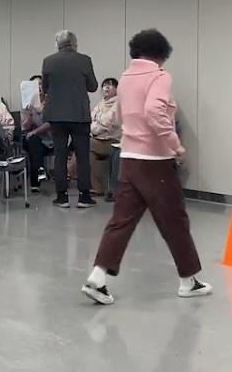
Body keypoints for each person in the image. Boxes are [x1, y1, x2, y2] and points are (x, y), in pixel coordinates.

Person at [81, 29, 211, 305]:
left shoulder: (126, 78)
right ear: (161, 53)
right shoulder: (159, 76)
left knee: (121, 221)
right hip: (155, 163)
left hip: (128, 158)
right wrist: (175, 145)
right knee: (174, 220)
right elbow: (155, 111)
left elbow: (118, 116)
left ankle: (97, 277)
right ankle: (188, 281)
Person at [41, 30, 98, 209]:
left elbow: (45, 88)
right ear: (74, 43)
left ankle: (62, 197)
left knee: (60, 156)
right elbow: (93, 86)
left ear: (57, 44)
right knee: (82, 156)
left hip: (56, 115)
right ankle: (84, 197)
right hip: (79, 115)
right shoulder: (84, 60)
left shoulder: (48, 61)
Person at [89, 78, 121, 200]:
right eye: (104, 85)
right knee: (87, 153)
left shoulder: (119, 103)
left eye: (110, 85)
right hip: (99, 139)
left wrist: (98, 119)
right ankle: (97, 188)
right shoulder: (101, 103)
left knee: (84, 143)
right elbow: (91, 122)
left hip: (113, 142)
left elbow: (110, 120)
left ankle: (69, 172)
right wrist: (101, 125)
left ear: (117, 89)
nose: (106, 87)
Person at [21, 76, 54, 188]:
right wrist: (30, 115)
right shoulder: (27, 103)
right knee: (34, 141)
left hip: (49, 139)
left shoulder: (51, 102)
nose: (38, 87)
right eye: (35, 85)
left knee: (35, 141)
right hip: (30, 139)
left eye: (40, 84)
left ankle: (36, 180)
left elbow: (50, 123)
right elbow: (25, 126)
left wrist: (35, 131)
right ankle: (39, 170)